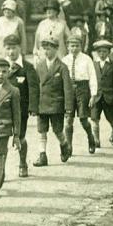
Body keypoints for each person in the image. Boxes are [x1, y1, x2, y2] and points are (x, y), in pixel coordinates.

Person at [29, 38, 73, 166]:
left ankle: (64, 145)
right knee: (41, 130)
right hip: (42, 104)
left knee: (58, 130)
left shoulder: (62, 67)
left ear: (56, 49)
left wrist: (68, 107)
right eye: (45, 49)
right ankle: (42, 156)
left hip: (56, 104)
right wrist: (33, 106)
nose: (46, 51)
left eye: (49, 48)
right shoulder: (40, 65)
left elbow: (68, 89)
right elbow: (35, 86)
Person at [4, 33, 38, 177]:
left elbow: (33, 87)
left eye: (14, 48)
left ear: (19, 48)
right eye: (8, 48)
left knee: (20, 136)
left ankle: (23, 163)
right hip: (3, 109)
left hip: (20, 109)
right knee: (2, 139)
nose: (11, 52)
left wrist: (33, 107)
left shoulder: (27, 67)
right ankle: (0, 170)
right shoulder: (0, 66)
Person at [0, 58, 20, 199]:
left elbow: (16, 114)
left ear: (9, 72)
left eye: (4, 72)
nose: (1, 74)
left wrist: (17, 135)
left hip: (3, 128)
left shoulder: (13, 91)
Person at [62, 35, 98, 154]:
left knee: (83, 119)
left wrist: (93, 95)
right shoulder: (64, 60)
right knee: (68, 120)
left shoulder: (86, 59)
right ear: (67, 47)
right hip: (69, 89)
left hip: (83, 89)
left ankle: (91, 138)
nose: (74, 48)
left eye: (77, 45)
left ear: (81, 46)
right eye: (72, 46)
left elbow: (92, 77)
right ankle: (69, 147)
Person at [90, 40, 113, 146]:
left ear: (108, 52)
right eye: (100, 52)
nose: (102, 54)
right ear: (97, 53)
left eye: (104, 51)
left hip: (109, 96)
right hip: (96, 96)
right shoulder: (93, 64)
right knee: (94, 118)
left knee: (111, 118)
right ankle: (96, 140)